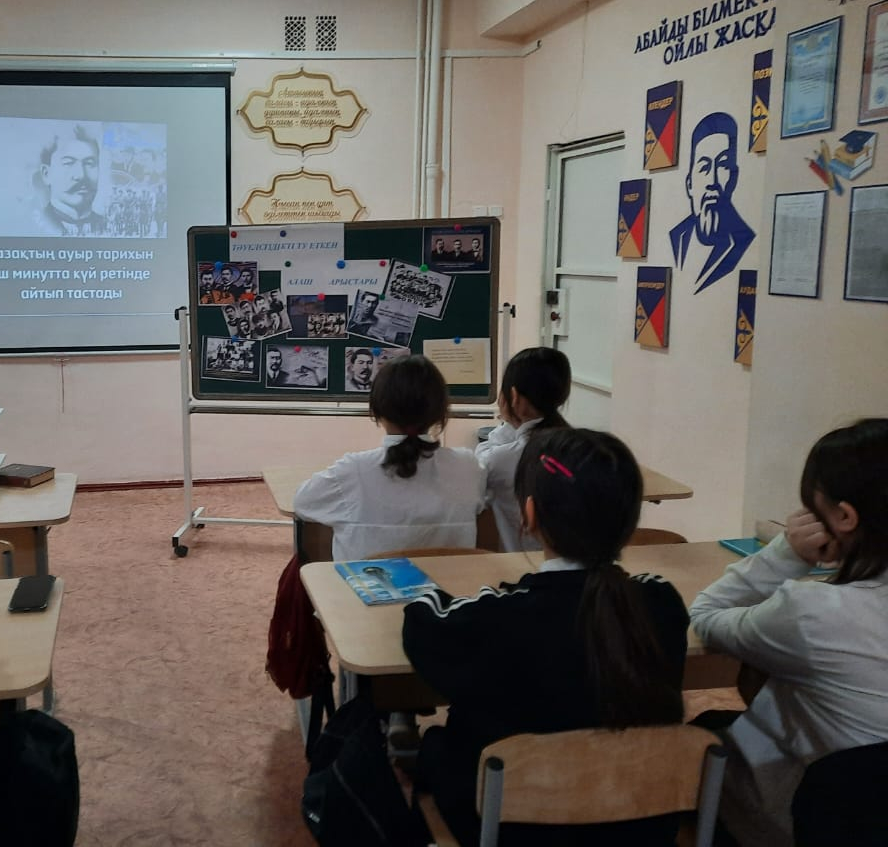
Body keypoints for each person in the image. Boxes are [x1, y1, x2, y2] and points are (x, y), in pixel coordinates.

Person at [404, 427, 689, 846]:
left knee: (429, 750)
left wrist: (425, 591)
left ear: (529, 514)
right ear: (630, 523)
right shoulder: (662, 604)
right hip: (638, 824)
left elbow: (422, 625)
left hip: (509, 829)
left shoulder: (496, 618)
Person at [689, 418, 888, 847]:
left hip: (807, 819)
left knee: (691, 741)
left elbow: (705, 615)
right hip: (866, 817)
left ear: (844, 517)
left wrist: (785, 553)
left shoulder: (813, 613)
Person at [293, 355, 485, 560]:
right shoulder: (468, 466)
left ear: (377, 410)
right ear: (439, 411)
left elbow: (302, 503)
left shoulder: (354, 471)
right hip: (450, 582)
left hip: (365, 582)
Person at [477, 347, 572, 551]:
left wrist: (509, 421)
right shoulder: (579, 448)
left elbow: (481, 462)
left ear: (513, 396)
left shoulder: (500, 459)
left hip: (518, 564)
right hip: (576, 561)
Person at [669, 111, 756, 294]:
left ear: (734, 178)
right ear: (689, 184)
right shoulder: (677, 236)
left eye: (723, 165)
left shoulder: (743, 240)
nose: (712, 181)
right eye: (704, 167)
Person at [31, 124, 105, 236]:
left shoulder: (111, 225)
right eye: (68, 163)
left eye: (89, 163)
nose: (81, 175)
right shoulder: (32, 226)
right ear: (46, 174)